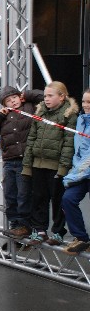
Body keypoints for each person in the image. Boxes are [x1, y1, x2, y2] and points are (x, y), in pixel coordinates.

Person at [0, 86, 43, 239]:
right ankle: (14, 225)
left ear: (19, 97)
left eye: (14, 98)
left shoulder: (30, 107)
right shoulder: (4, 117)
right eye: (8, 101)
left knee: (24, 194)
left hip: (25, 159)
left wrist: (26, 95)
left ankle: (25, 225)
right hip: (9, 160)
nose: (12, 102)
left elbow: (43, 96)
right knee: (10, 194)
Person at [22, 81, 77, 246]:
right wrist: (27, 165)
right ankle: (39, 230)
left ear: (62, 97)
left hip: (56, 166)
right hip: (38, 164)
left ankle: (59, 232)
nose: (46, 99)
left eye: (50, 96)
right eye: (45, 96)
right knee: (38, 198)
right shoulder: (40, 113)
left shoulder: (69, 115)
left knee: (57, 199)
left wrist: (63, 168)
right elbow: (31, 139)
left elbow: (69, 143)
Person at [61, 89, 90, 255]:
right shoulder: (80, 119)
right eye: (84, 101)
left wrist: (77, 171)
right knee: (68, 199)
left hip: (83, 170)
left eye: (89, 103)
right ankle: (81, 238)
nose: (86, 105)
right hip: (81, 171)